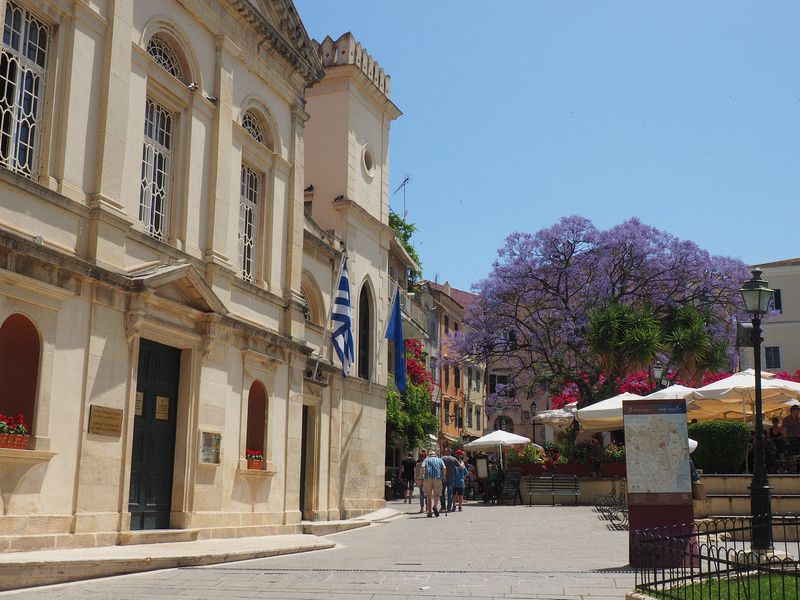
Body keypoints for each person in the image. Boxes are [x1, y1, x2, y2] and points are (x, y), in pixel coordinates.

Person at [422, 449, 446, 517]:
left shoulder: (426, 459)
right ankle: (435, 506)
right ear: (435, 455)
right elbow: (444, 468)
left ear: (429, 455)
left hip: (427, 478)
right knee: (437, 495)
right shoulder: (440, 460)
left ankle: (429, 511)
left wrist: (420, 476)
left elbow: (422, 467)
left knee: (428, 496)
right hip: (437, 478)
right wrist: (444, 477)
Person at [441, 447, 459, 512]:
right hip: (451, 478)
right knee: (450, 493)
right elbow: (460, 467)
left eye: (445, 451)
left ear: (447, 452)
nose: (444, 452)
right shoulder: (454, 459)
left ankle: (443, 507)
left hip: (443, 478)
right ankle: (449, 507)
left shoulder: (442, 459)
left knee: (441, 493)